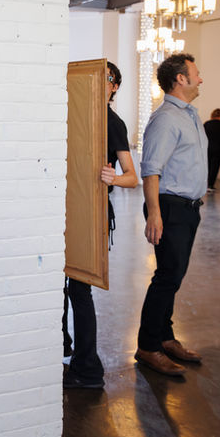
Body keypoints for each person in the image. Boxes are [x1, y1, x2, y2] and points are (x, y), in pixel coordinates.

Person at [62, 61, 137, 389]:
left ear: (114, 87)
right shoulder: (70, 113)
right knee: (58, 290)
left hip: (91, 214)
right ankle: (62, 346)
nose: (100, 84)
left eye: (107, 79)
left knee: (80, 288)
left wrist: (114, 178)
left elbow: (132, 177)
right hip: (63, 213)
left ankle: (88, 367)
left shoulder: (113, 123)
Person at [134, 53, 207, 377]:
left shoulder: (190, 115)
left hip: (188, 208)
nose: (200, 78)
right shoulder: (166, 118)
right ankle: (148, 347)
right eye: (196, 73)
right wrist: (154, 214)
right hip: (170, 207)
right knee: (166, 278)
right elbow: (150, 169)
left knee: (172, 277)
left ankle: (165, 337)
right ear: (181, 79)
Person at [203, 108, 220, 192]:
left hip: (208, 148)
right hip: (219, 148)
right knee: (215, 167)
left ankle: (204, 184)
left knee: (207, 166)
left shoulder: (207, 124)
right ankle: (211, 185)